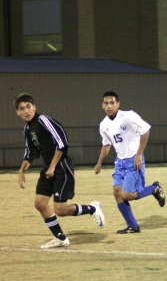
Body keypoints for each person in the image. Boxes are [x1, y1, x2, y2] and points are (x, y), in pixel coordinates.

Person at [15, 93, 104, 249]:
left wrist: (52, 166)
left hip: (61, 166)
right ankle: (61, 238)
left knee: (60, 209)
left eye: (28, 107)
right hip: (49, 167)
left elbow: (62, 143)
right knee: (40, 204)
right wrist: (22, 168)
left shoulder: (43, 121)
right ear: (18, 112)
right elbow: (31, 151)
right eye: (22, 109)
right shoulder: (27, 128)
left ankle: (92, 208)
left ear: (34, 107)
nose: (26, 111)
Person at [94, 91, 165, 234]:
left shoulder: (128, 116)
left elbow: (145, 131)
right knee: (117, 192)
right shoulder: (103, 125)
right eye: (106, 103)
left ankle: (154, 189)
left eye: (112, 103)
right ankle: (133, 226)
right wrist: (99, 162)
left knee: (127, 195)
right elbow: (106, 145)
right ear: (102, 105)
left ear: (118, 104)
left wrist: (139, 154)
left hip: (133, 160)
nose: (109, 106)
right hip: (119, 162)